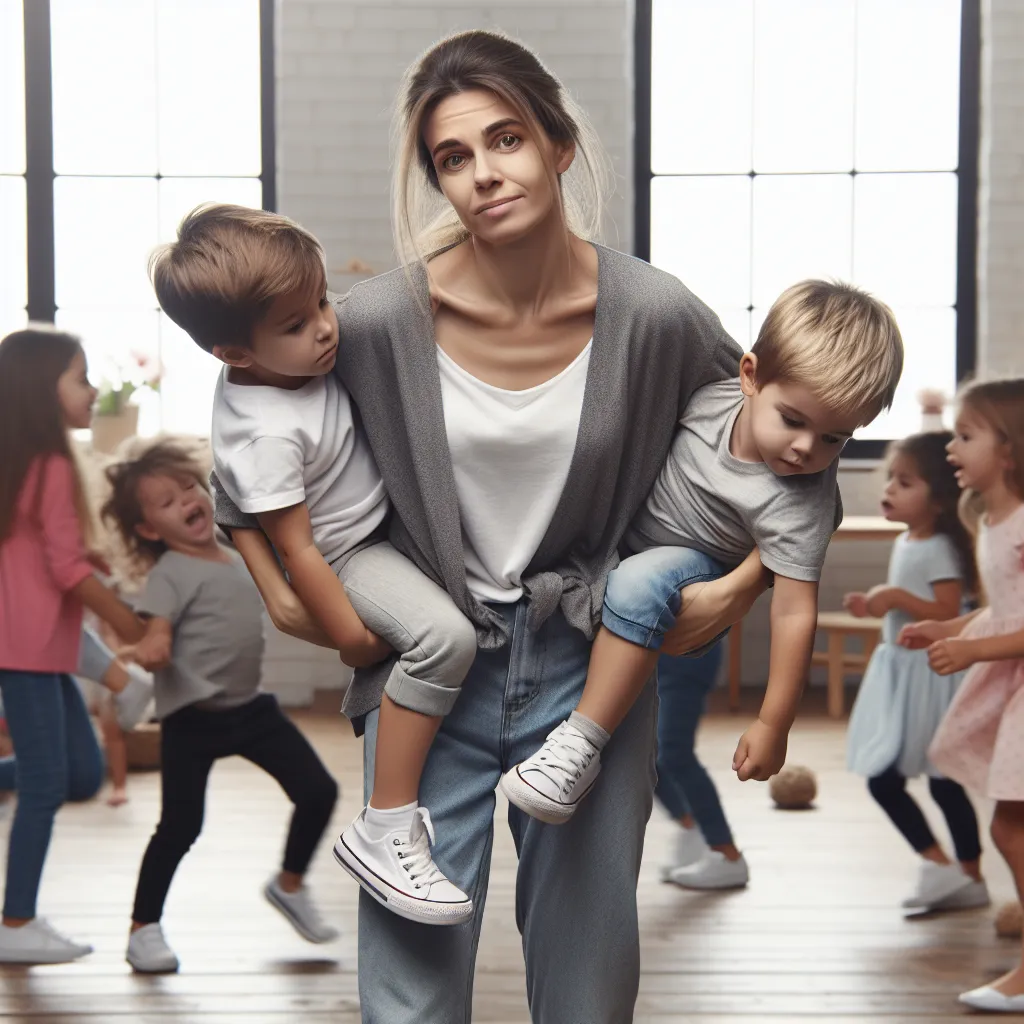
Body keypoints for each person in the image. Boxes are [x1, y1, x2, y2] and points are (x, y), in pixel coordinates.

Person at [214, 30, 771, 1023]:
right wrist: (283, 594)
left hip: (591, 670)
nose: (481, 175)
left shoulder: (654, 315)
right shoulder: (375, 323)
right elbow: (244, 446)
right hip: (428, 668)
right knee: (409, 992)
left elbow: (783, 443)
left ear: (558, 143)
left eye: (505, 140)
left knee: (588, 983)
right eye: (452, 158)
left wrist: (739, 587)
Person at [150, 204, 477, 925]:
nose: (326, 326)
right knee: (445, 641)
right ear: (235, 354)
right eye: (298, 324)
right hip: (347, 555)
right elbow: (298, 549)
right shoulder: (262, 432)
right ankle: (385, 827)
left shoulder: (285, 348)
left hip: (376, 527)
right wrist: (351, 642)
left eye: (322, 302)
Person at [502, 280, 904, 823]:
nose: (808, 448)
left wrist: (773, 722)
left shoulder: (802, 502)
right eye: (793, 420)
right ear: (750, 376)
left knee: (640, 583)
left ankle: (580, 744)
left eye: (836, 439)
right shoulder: (707, 394)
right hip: (616, 544)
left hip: (693, 572)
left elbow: (793, 612)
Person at [101, 441, 339, 974]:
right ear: (148, 530)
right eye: (165, 500)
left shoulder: (236, 555)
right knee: (180, 827)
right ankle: (143, 930)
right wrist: (152, 647)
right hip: (193, 721)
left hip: (251, 712)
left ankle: (289, 884)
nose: (186, 498)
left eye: (187, 486)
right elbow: (156, 633)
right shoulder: (170, 574)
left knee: (318, 791)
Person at [0, 326, 146, 964]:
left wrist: (85, 558)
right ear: (43, 389)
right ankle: (15, 923)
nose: (93, 392)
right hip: (25, 647)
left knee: (82, 775)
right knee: (43, 783)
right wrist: (134, 624)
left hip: (40, 646)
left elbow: (40, 550)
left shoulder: (27, 461)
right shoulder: (51, 461)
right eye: (81, 378)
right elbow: (62, 570)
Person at [904, 380, 1024, 1012]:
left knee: (1010, 824)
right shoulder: (991, 519)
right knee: (1011, 824)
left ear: (1009, 451)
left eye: (966, 434)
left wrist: (973, 651)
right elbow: (1007, 609)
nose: (950, 445)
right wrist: (953, 629)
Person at [845, 432, 985, 914]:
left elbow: (946, 608)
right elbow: (909, 605)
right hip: (904, 673)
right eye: (890, 479)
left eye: (905, 482)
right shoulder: (910, 539)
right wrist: (875, 605)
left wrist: (896, 598)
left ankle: (962, 874)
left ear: (940, 499)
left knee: (931, 779)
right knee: (917, 779)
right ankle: (951, 870)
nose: (889, 489)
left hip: (930, 677)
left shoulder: (939, 548)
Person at [655, 645, 750, 889]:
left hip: (685, 653)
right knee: (647, 755)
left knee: (675, 752)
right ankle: (692, 827)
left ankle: (727, 854)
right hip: (652, 653)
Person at [75, 625, 155, 806]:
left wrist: (114, 662)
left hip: (101, 664)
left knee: (112, 731)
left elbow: (109, 633)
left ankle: (119, 786)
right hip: (81, 664)